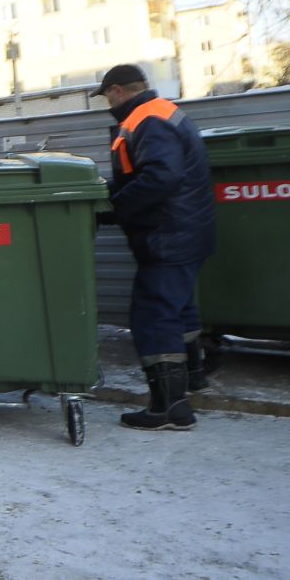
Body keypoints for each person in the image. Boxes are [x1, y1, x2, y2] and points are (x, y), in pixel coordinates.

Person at [97, 64, 215, 430]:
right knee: (178, 309)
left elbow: (161, 176)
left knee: (153, 316)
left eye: (106, 97)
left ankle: (170, 408)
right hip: (185, 230)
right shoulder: (159, 112)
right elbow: (144, 174)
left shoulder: (147, 119)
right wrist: (114, 196)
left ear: (117, 90)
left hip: (168, 233)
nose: (107, 104)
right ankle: (192, 378)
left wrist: (116, 207)